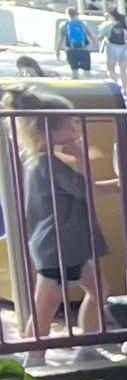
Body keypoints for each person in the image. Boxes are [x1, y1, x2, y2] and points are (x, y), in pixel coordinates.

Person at [3, 88, 110, 348]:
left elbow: (84, 189)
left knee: (98, 291)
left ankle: (88, 343)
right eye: (70, 125)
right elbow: (86, 189)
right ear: (46, 132)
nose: (76, 130)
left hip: (66, 246)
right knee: (46, 304)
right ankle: (35, 352)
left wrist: (115, 185)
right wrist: (83, 158)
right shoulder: (49, 164)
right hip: (59, 246)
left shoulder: (44, 162)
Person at [103, 8, 127, 90]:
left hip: (112, 48)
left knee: (111, 70)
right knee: (123, 71)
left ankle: (116, 87)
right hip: (125, 49)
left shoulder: (108, 26)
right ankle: (125, 89)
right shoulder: (124, 26)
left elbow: (100, 37)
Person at [60, 9, 91, 77]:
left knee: (74, 72)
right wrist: (96, 45)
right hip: (84, 49)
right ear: (77, 14)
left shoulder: (64, 25)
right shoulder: (83, 24)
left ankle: (76, 83)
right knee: (87, 72)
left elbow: (61, 39)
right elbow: (91, 35)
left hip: (71, 50)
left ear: (67, 14)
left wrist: (57, 51)